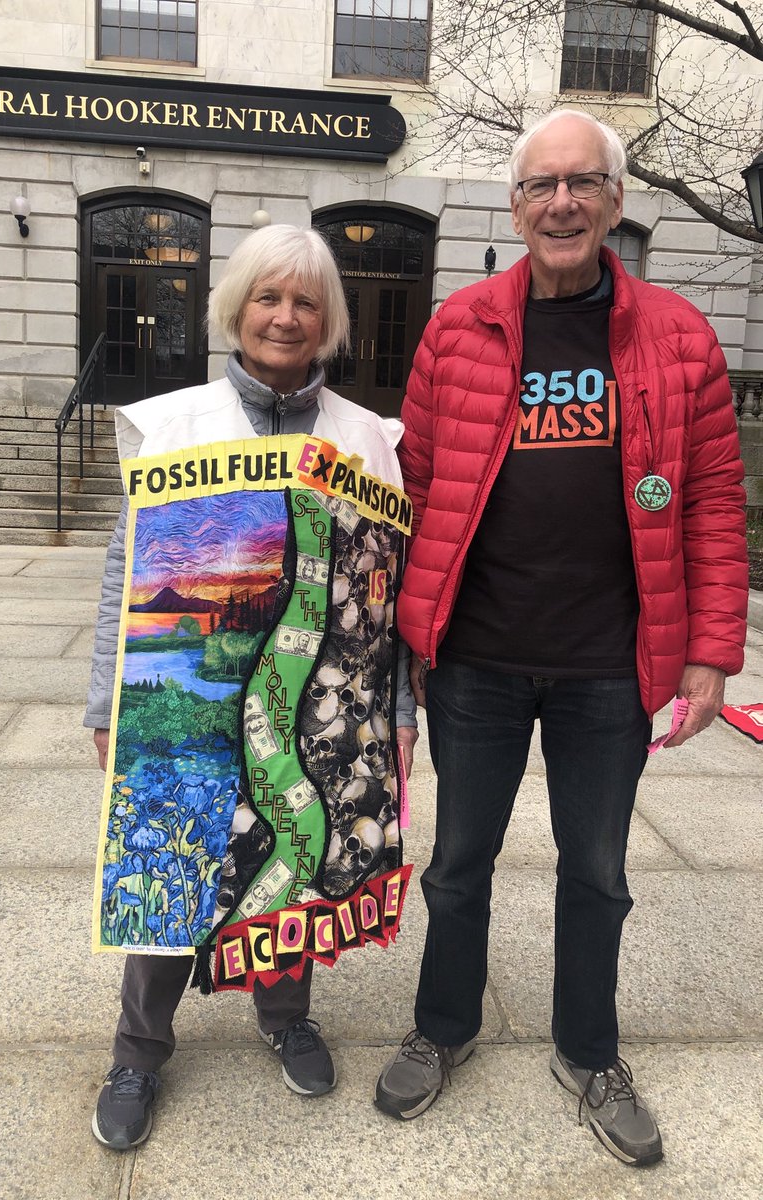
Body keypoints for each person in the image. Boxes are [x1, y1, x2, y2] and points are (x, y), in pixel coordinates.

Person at [375, 111, 748, 1167]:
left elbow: (714, 501)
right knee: (457, 859)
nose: (563, 203)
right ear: (516, 206)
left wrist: (713, 650)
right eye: (542, 186)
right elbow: (411, 490)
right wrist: (391, 650)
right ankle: (443, 1025)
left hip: (608, 663)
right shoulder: (458, 329)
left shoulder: (678, 338)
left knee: (597, 868)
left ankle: (589, 1053)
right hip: (477, 657)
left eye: (584, 183)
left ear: (616, 203)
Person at [85, 224, 419, 1150]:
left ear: (328, 322)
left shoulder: (367, 439)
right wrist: (107, 705)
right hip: (196, 688)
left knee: (295, 845)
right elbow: (128, 573)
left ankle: (285, 1015)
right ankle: (138, 1050)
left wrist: (396, 708)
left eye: (306, 302)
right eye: (268, 298)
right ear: (235, 308)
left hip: (317, 700)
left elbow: (387, 589)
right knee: (170, 859)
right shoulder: (175, 423)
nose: (285, 317)